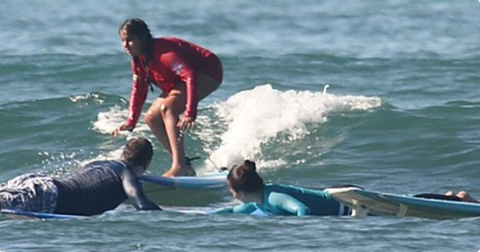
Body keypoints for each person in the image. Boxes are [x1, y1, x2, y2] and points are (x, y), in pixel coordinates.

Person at [111, 18, 223, 177]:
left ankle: (178, 166)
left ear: (142, 38)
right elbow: (139, 90)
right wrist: (131, 121)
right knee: (151, 118)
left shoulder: (163, 52)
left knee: (168, 108)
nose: (125, 46)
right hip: (181, 80)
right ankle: (184, 165)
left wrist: (190, 112)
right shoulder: (138, 61)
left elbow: (190, 75)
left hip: (208, 71)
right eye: (122, 41)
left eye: (130, 40)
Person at [0, 137, 161, 216]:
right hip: (48, 196)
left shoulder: (101, 163)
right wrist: (173, 221)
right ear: (146, 163)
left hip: (38, 183)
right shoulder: (126, 174)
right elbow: (141, 205)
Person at [216, 160, 351, 217]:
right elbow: (232, 211)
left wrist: (302, 232)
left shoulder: (273, 197)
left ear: (242, 193)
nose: (231, 194)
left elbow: (302, 209)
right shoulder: (257, 202)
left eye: (231, 190)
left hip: (344, 203)